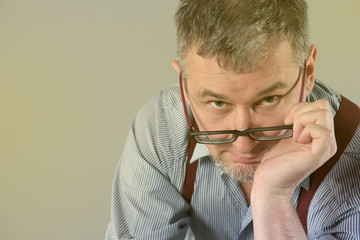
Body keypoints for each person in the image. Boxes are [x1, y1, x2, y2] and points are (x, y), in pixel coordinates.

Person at [106, 0, 360, 239]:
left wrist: (273, 197)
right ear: (183, 85)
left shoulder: (354, 164)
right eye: (218, 103)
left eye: (269, 99)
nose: (244, 144)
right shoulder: (160, 130)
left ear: (309, 73)